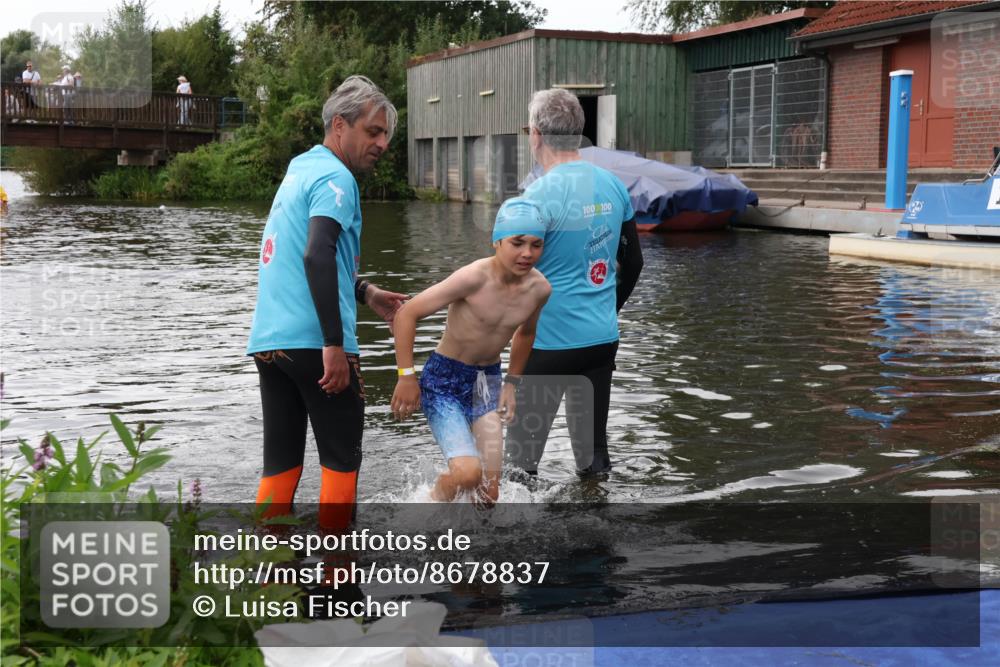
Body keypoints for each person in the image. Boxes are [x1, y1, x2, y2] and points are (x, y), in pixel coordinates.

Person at [247, 75, 406, 533]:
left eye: (386, 136)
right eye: (373, 132)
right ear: (341, 125)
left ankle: (269, 577)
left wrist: (366, 292)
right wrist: (333, 345)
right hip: (316, 345)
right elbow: (316, 253)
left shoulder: (302, 167)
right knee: (341, 465)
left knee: (280, 465)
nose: (381, 143)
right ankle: (339, 583)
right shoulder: (338, 178)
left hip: (270, 345)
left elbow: (314, 255)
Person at [504, 88, 644, 477]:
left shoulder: (536, 196)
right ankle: (599, 532)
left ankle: (513, 536)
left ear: (536, 134)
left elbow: (510, 280)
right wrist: (607, 309)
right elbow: (633, 262)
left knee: (520, 463)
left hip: (548, 345)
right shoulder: (613, 185)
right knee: (593, 457)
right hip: (601, 340)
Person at [390, 198, 551, 503]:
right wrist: (406, 376)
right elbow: (407, 314)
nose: (527, 253)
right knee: (467, 474)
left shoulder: (539, 290)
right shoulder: (473, 278)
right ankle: (424, 513)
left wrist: (512, 384)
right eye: (517, 243)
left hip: (486, 383)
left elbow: (526, 333)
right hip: (444, 380)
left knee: (488, 496)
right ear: (497, 241)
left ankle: (474, 545)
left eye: (536, 245)